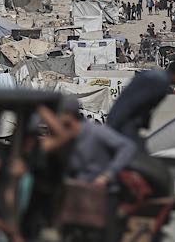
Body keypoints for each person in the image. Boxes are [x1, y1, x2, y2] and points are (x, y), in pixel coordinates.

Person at [58, 97, 137, 242]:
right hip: (79, 195)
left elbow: (127, 147)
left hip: (104, 195)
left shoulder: (96, 132)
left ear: (68, 115)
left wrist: (108, 174)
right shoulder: (66, 138)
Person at [106, 54, 175, 146]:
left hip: (122, 123)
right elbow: (136, 105)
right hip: (124, 125)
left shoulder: (155, 76)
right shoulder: (158, 82)